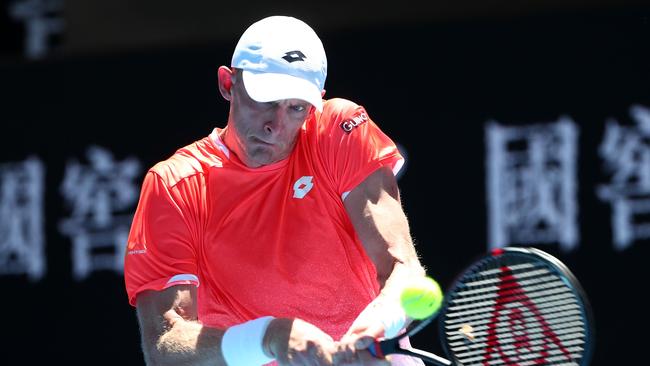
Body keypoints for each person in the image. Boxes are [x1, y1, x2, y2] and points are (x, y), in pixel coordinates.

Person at [124, 15, 427, 366]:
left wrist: (373, 327)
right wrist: (269, 337)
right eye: (265, 99)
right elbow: (164, 345)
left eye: (296, 107)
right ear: (228, 83)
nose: (275, 125)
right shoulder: (175, 185)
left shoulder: (338, 131)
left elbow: (404, 270)